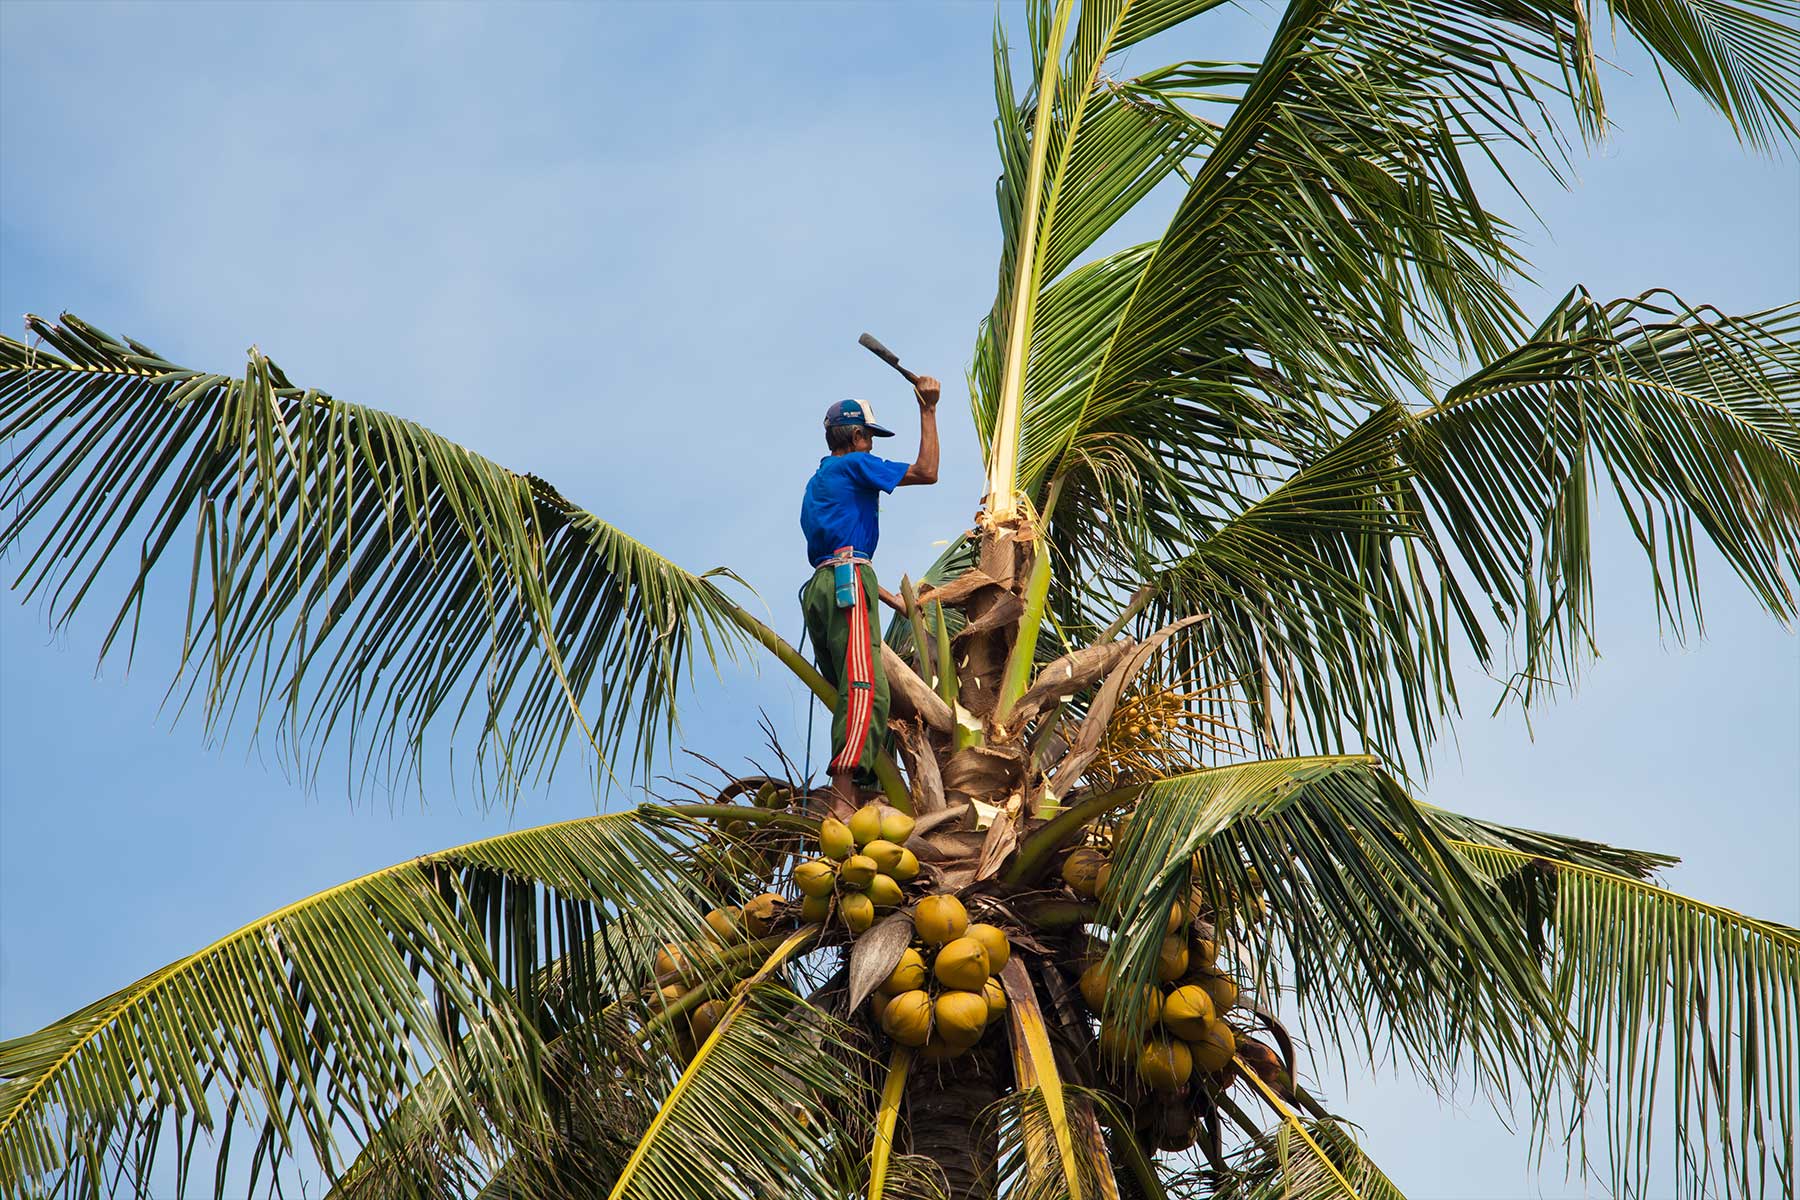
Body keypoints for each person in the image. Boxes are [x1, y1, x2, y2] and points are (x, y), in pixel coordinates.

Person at [800, 377, 940, 813]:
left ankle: (861, 791)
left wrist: (889, 598)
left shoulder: (818, 482)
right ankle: (845, 799)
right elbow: (927, 472)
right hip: (847, 585)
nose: (871, 448)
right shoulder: (855, 466)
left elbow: (837, 554)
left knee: (847, 687)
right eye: (869, 439)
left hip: (822, 590)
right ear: (857, 436)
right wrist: (928, 410)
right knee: (866, 689)